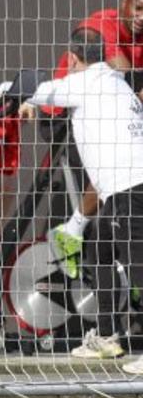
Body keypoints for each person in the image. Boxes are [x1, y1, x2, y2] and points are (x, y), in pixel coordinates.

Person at [18, 42, 143, 365]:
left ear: (73, 59)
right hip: (123, 188)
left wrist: (5, 91)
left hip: (131, 187)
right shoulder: (115, 80)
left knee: (139, 266)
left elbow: (37, 90)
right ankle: (105, 335)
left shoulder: (85, 83)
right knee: (98, 246)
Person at [47, 0, 143, 276]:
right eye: (138, 9)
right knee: (118, 166)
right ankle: (72, 231)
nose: (142, 17)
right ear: (124, 3)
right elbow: (128, 82)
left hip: (113, 115)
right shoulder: (102, 25)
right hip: (66, 116)